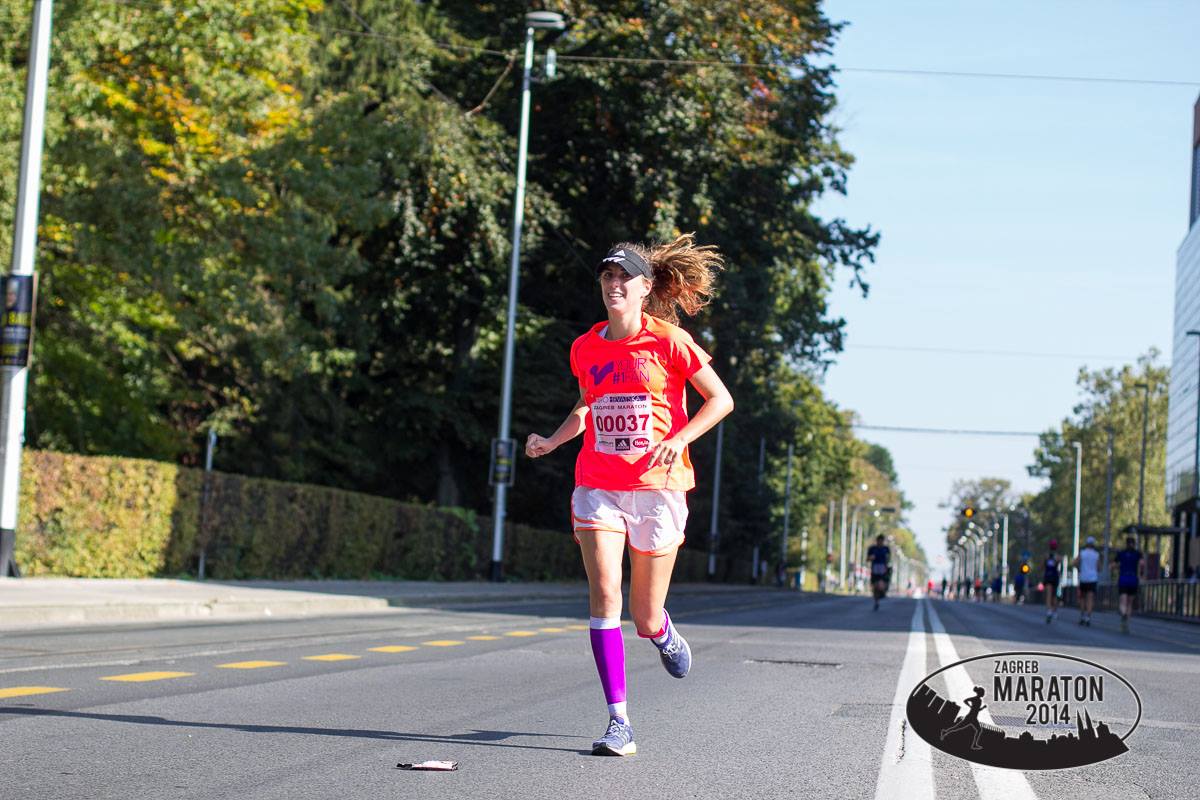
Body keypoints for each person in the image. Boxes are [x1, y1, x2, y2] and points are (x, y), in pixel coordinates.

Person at [525, 234, 734, 757]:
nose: (613, 284)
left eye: (623, 277)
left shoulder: (670, 341)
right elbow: (587, 406)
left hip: (659, 489)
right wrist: (553, 439)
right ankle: (619, 721)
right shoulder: (586, 346)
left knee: (642, 616)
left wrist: (679, 438)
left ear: (645, 288)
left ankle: (662, 632)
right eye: (606, 277)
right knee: (605, 598)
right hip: (598, 483)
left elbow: (721, 400)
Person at [940, 686, 987, 751]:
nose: (984, 694)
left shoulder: (978, 700)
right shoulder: (976, 699)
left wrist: (982, 708)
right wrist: (970, 706)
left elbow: (976, 709)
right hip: (970, 717)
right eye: (983, 692)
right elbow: (965, 701)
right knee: (958, 727)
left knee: (978, 730)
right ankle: (945, 732)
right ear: (980, 693)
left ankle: (974, 745)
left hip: (973, 718)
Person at [1114, 536, 1144, 634]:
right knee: (1129, 602)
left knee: (1123, 600)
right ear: (1134, 544)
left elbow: (1114, 565)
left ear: (1126, 543)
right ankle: (1127, 619)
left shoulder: (1121, 553)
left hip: (1123, 578)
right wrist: (1140, 575)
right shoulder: (1138, 554)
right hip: (1133, 579)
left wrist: (1117, 569)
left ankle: (1123, 614)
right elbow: (1142, 564)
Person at [1074, 536, 1100, 626]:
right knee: (1090, 598)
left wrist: (1079, 569)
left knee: (1082, 598)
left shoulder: (1082, 553)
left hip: (1083, 578)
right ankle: (1088, 617)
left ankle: (1082, 616)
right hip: (1093, 578)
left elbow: (1075, 562)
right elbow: (1098, 567)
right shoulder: (1096, 554)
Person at [866, 534, 890, 610]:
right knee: (875, 586)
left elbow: (888, 559)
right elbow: (867, 559)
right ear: (877, 541)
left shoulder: (886, 549)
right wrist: (871, 558)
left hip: (883, 568)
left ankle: (883, 592)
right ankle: (876, 601)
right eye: (879, 541)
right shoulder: (872, 549)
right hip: (875, 568)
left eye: (882, 541)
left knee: (881, 584)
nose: (880, 542)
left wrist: (887, 563)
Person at [1043, 540, 1062, 624]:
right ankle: (1054, 610)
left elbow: (1043, 565)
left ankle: (1049, 611)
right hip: (1054, 576)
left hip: (1048, 576)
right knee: (1054, 595)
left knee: (1049, 594)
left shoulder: (1046, 556)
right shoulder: (1058, 556)